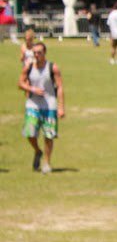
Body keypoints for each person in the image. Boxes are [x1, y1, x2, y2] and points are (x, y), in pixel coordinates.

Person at [19, 41, 65, 174]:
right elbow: (20, 83)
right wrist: (31, 88)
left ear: (44, 53)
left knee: (49, 136)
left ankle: (47, 162)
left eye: (39, 52)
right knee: (29, 133)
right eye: (34, 53)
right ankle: (37, 150)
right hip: (32, 105)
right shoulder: (28, 67)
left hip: (49, 106)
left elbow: (60, 87)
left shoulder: (52, 67)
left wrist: (61, 107)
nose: (36, 55)